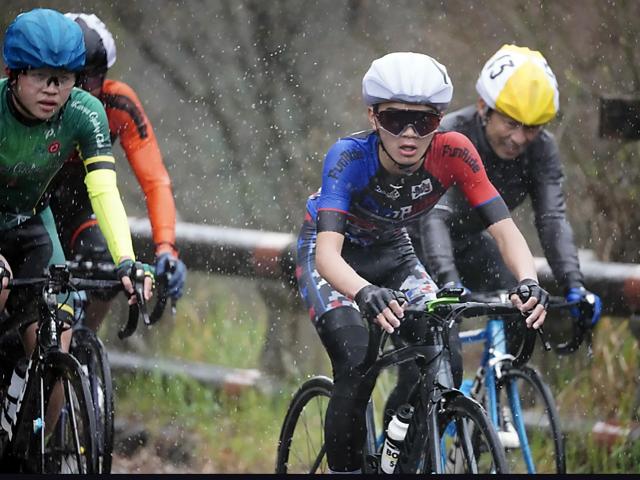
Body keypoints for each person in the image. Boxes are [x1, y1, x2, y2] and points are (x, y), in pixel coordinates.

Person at [295, 51, 549, 474]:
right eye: (396, 120)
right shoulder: (348, 156)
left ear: (440, 120)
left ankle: (404, 456)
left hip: (393, 253)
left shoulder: (456, 151)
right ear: (373, 116)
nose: (410, 133)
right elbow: (327, 254)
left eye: (425, 121)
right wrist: (362, 291)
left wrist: (528, 281)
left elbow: (505, 229)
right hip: (336, 257)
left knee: (443, 350)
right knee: (355, 359)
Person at [0, 8, 152, 440]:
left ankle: (35, 449)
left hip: (33, 224)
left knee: (57, 337)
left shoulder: (85, 113)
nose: (54, 90)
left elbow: (104, 190)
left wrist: (126, 261)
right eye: (41, 77)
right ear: (14, 73)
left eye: (65, 78)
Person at [412, 44, 602, 343]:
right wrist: (448, 280)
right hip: (416, 245)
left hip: (469, 242)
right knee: (442, 352)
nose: (519, 139)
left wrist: (573, 286)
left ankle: (506, 377)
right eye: (511, 123)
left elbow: (551, 219)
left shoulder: (541, 150)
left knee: (522, 307)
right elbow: (436, 216)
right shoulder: (452, 135)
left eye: (531, 128)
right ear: (482, 107)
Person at [43, 12, 186, 331]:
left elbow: (155, 182)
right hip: (35, 203)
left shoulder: (118, 103)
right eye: (71, 77)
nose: (81, 90)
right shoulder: (37, 99)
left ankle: (83, 349)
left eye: (91, 80)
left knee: (106, 267)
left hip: (83, 204)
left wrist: (165, 247)